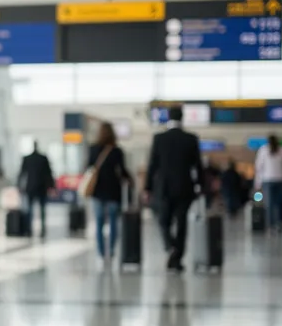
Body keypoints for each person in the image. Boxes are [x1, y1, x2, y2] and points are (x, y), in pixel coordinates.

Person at [145, 105, 202, 272]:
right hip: (185, 187)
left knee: (164, 221)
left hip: (164, 188)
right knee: (182, 222)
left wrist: (147, 187)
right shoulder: (191, 139)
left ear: (168, 118)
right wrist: (201, 186)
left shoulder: (159, 138)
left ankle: (170, 247)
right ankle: (177, 257)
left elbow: (152, 165)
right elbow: (197, 166)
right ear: (182, 118)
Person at [84, 122, 133, 264]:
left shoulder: (93, 149)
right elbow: (122, 170)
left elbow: (88, 167)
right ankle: (110, 250)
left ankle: (101, 252)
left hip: (97, 191)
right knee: (113, 223)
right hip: (113, 191)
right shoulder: (117, 151)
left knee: (99, 222)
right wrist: (130, 180)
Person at [254, 134, 282, 232]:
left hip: (267, 180)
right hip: (281, 180)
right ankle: (279, 224)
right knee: (279, 203)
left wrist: (257, 183)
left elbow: (259, 167)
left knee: (269, 204)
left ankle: (270, 225)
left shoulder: (263, 150)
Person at [18, 141, 55, 238]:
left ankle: (29, 229)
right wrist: (52, 186)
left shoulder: (27, 158)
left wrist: (19, 186)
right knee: (42, 210)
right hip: (42, 187)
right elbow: (49, 173)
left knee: (30, 209)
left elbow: (22, 173)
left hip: (30, 187)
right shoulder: (43, 158)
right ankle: (43, 229)